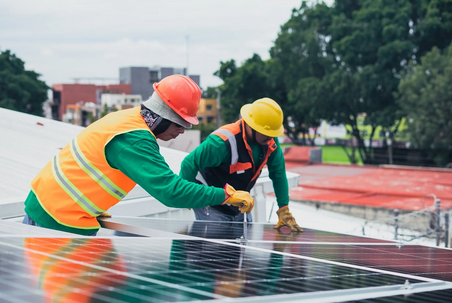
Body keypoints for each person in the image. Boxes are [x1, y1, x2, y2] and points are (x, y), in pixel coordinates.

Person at [22, 75, 254, 236]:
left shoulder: (128, 119)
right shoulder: (134, 139)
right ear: (164, 115)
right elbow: (170, 192)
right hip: (57, 218)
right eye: (181, 123)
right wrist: (224, 195)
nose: (182, 130)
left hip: (51, 205)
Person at [180, 97, 302, 232]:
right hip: (212, 204)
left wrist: (283, 208)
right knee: (216, 246)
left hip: (240, 203)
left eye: (273, 134)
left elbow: (278, 174)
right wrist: (186, 196)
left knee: (239, 246)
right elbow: (189, 163)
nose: (271, 138)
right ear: (251, 126)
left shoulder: (270, 143)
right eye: (267, 133)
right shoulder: (222, 142)